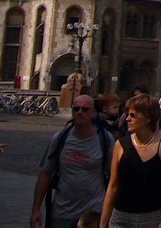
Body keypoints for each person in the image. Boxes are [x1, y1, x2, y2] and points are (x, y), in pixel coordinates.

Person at [100, 93, 161, 228]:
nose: (127, 119)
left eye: (133, 115)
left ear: (148, 118)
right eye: (127, 114)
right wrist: (103, 222)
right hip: (120, 218)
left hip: (154, 218)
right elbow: (113, 185)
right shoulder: (120, 144)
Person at [31, 94, 113, 228]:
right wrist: (36, 209)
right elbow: (45, 174)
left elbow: (113, 178)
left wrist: (109, 212)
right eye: (76, 109)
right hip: (62, 212)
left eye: (85, 109)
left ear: (93, 113)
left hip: (92, 213)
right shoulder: (60, 138)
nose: (80, 112)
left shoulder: (105, 139)